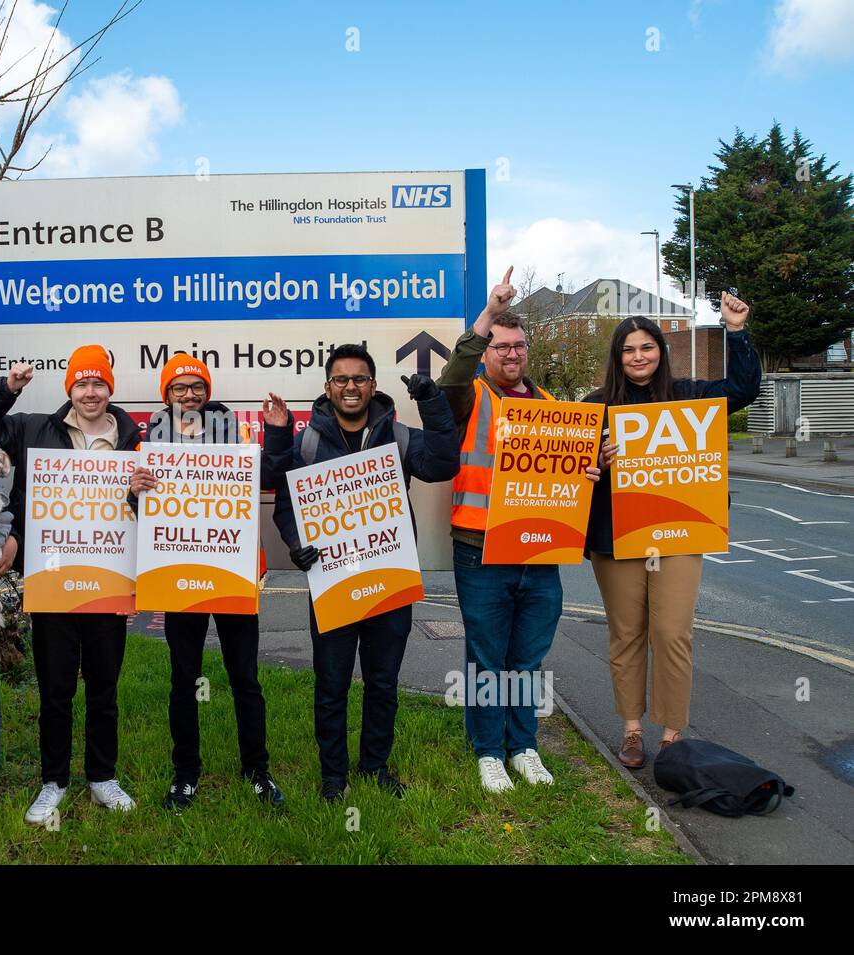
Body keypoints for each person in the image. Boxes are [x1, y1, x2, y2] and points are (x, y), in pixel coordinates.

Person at [272, 344, 460, 801]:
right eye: (341, 379)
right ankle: (333, 777)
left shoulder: (397, 436)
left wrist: (431, 402)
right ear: (327, 388)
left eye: (359, 379)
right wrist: (297, 545)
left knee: (382, 682)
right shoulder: (308, 443)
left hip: (388, 581)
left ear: (372, 386)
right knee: (332, 684)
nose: (350, 387)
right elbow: (285, 504)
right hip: (333, 584)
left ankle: (375, 767)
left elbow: (443, 464)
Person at [439, 267, 602, 793]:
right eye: (500, 345)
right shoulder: (470, 397)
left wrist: (589, 470)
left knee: (528, 658)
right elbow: (451, 378)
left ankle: (523, 746)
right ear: (487, 350)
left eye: (519, 346)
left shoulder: (556, 409)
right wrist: (486, 313)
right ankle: (489, 752)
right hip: (480, 549)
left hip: (538, 552)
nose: (511, 354)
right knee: (488, 656)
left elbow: (568, 482)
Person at [0, 345, 141, 825]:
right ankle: (53, 782)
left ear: (110, 387)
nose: (90, 392)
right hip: (53, 580)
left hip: (108, 580)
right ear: (70, 389)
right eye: (81, 383)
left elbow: (143, 513)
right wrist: (7, 388)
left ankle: (103, 777)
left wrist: (141, 494)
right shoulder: (33, 428)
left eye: (98, 383)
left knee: (104, 687)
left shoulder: (132, 438)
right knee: (55, 690)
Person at [585, 292, 761, 768]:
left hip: (678, 533)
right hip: (615, 535)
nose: (638, 357)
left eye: (647, 347)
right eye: (628, 349)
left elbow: (744, 390)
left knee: (672, 631)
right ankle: (632, 730)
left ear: (661, 351)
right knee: (626, 633)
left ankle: (673, 734)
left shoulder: (690, 396)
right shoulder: (595, 405)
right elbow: (573, 478)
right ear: (617, 357)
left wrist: (736, 331)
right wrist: (594, 465)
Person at [127, 354, 292, 811]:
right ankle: (186, 774)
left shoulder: (235, 432)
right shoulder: (149, 441)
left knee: (246, 677)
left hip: (232, 571)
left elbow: (272, 475)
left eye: (197, 386)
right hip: (179, 575)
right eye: (179, 387)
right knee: (184, 678)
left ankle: (257, 769)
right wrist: (133, 490)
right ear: (166, 394)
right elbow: (140, 512)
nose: (189, 394)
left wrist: (277, 431)